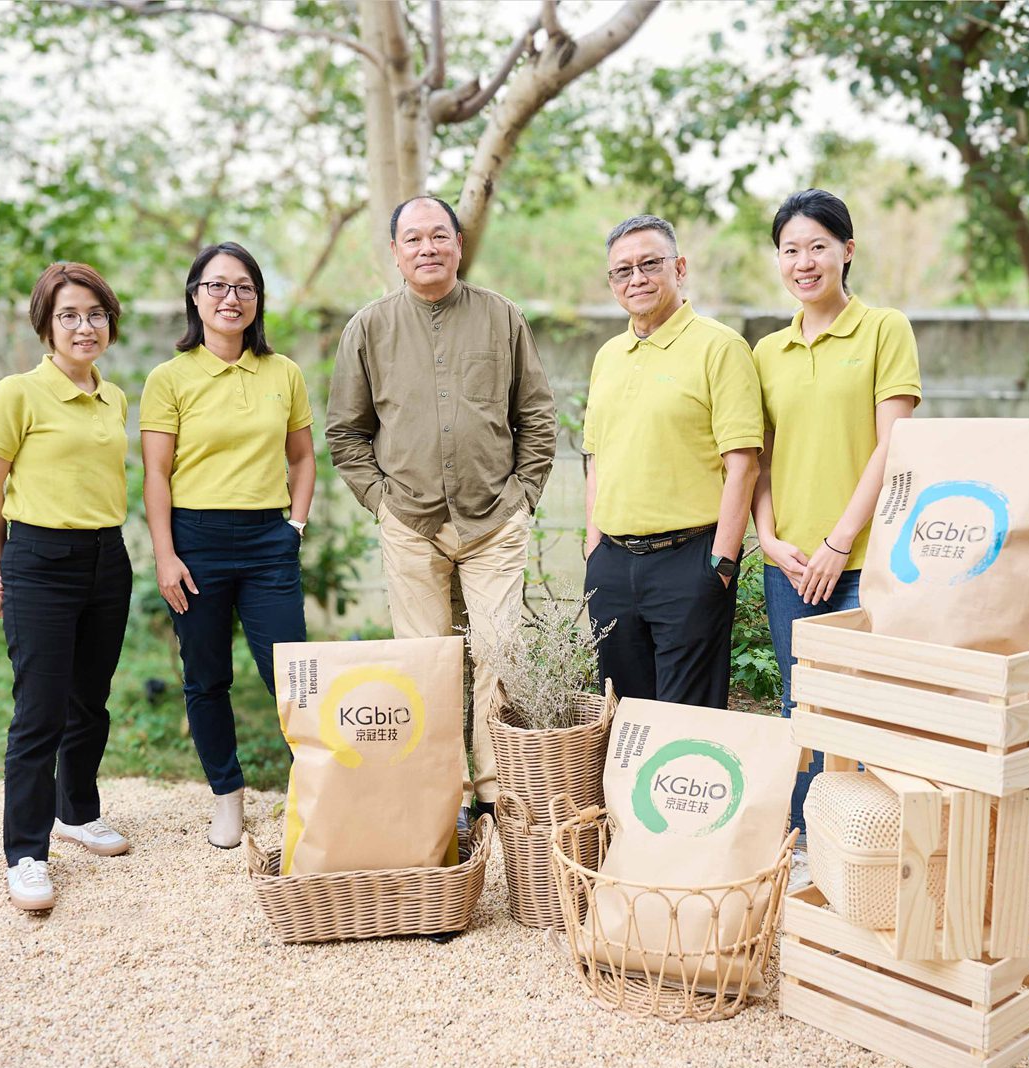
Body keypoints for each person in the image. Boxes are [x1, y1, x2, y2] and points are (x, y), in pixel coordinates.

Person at [325, 195, 558, 822]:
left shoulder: (502, 317)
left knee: (499, 656)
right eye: (413, 238)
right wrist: (382, 503)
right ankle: (443, 795)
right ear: (395, 252)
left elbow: (536, 415)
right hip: (411, 522)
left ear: (458, 243)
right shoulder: (367, 329)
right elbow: (346, 433)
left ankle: (495, 794)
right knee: (425, 665)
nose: (427, 248)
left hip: (494, 519)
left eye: (438, 235)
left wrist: (523, 496)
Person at [751, 188, 921, 829]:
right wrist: (768, 540)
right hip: (790, 564)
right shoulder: (766, 352)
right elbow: (759, 458)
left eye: (817, 247)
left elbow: (893, 446)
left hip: (865, 560)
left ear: (846, 251)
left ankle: (868, 846)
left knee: (867, 711)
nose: (804, 262)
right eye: (790, 249)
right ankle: (804, 846)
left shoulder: (884, 329)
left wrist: (840, 541)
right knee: (803, 707)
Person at [140, 242, 316, 848]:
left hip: (269, 542)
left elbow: (302, 458)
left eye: (243, 286)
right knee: (206, 677)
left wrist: (294, 527)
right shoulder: (169, 378)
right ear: (195, 297)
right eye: (216, 285)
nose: (230, 298)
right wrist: (165, 555)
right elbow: (156, 474)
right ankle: (227, 796)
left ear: (257, 299)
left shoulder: (283, 372)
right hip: (195, 544)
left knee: (292, 674)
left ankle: (316, 792)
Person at [0, 262, 134, 912]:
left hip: (107, 557)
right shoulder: (16, 394)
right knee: (39, 711)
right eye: (69, 315)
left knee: (89, 701)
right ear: (46, 325)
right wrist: (0, 565)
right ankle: (26, 853)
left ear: (110, 324)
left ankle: (78, 812)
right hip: (38, 560)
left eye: (95, 314)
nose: (84, 326)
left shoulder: (114, 396)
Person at [581, 213, 763, 708]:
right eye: (623, 270)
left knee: (687, 724)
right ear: (612, 283)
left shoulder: (720, 347)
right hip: (612, 566)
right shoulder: (608, 356)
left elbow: (744, 463)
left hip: (690, 562)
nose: (636, 278)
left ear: (679, 268)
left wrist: (722, 564)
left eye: (650, 264)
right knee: (625, 722)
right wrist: (594, 550)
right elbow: (597, 459)